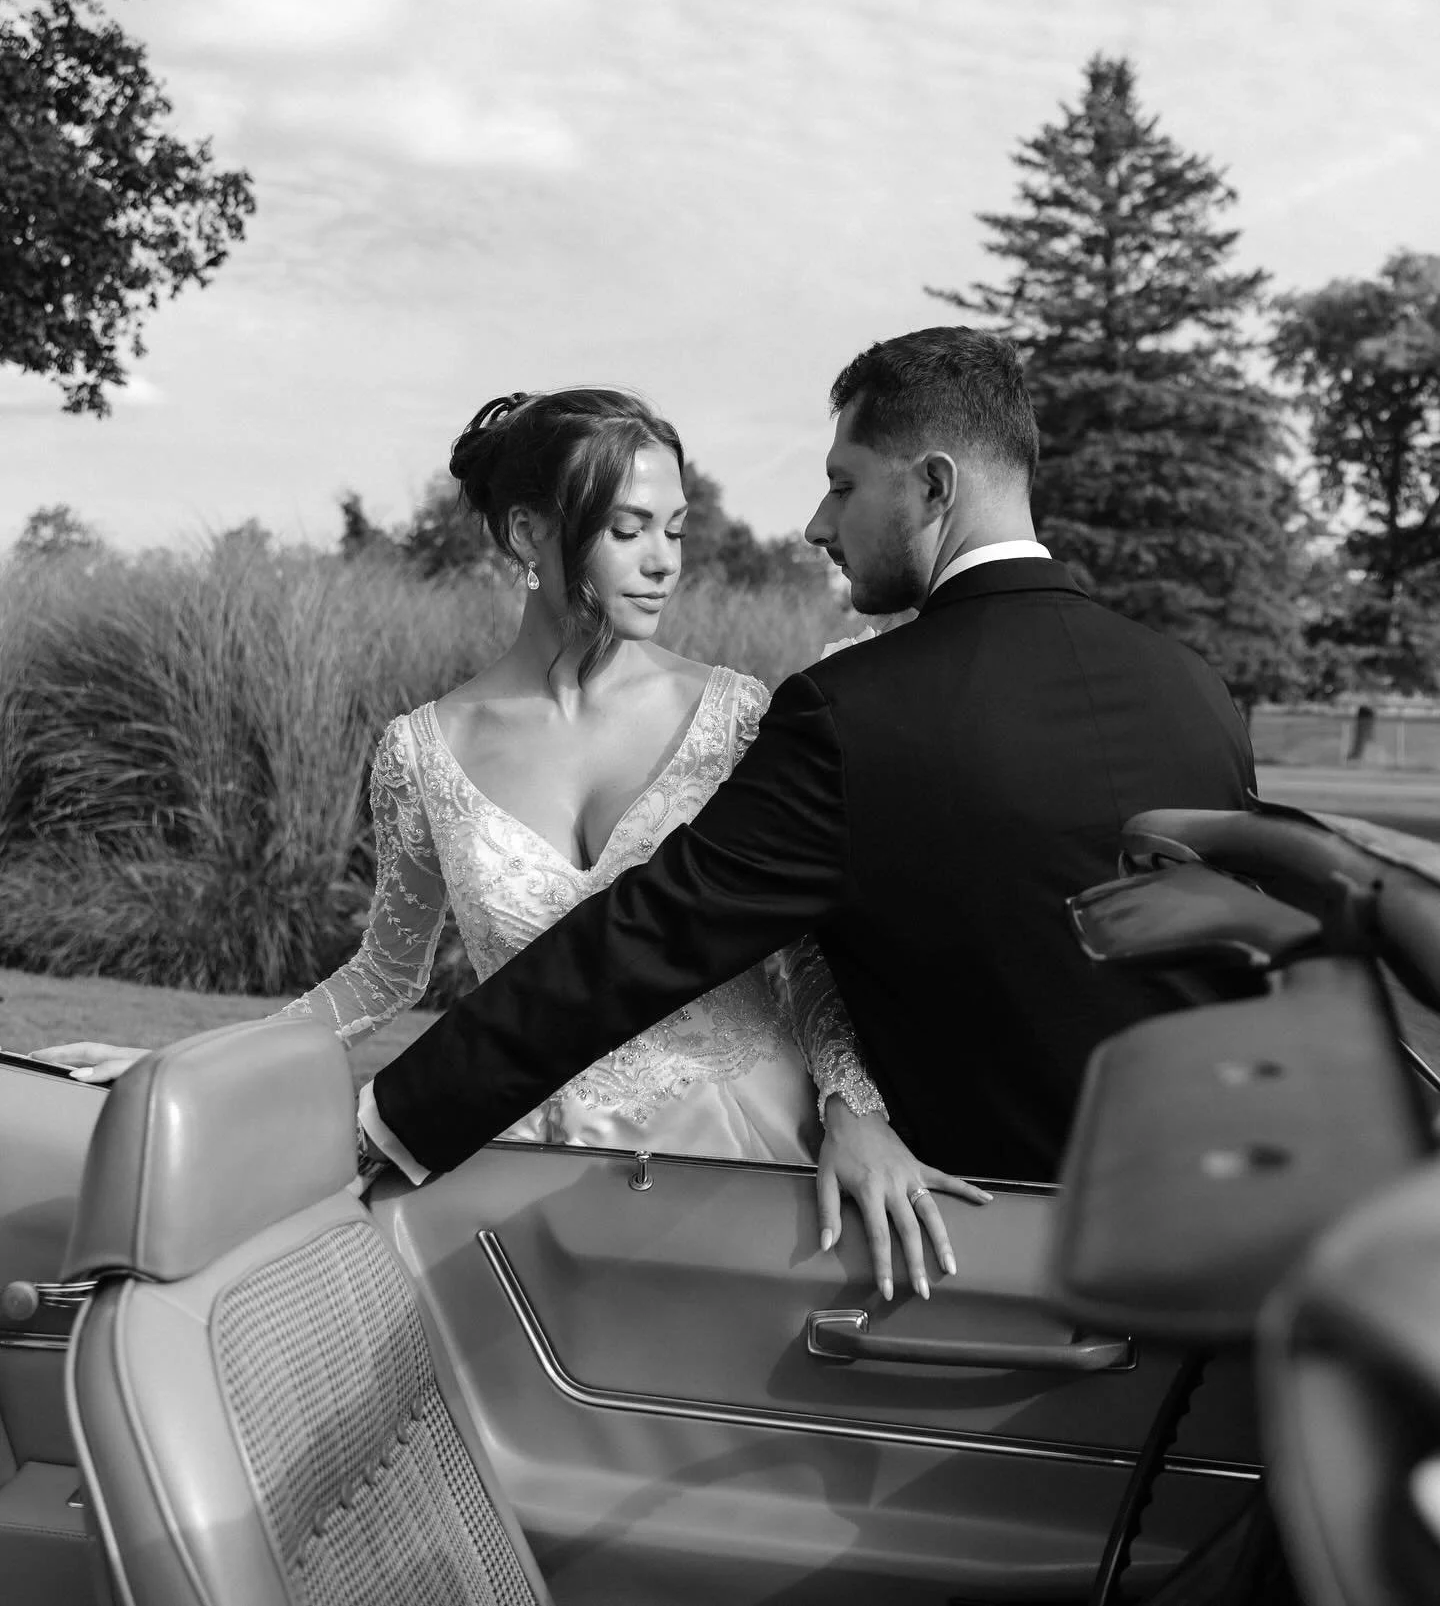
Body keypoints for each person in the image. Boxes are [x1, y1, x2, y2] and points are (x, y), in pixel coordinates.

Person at [360, 327, 1258, 1295]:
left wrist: (392, 1116)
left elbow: (651, 933)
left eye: (844, 483)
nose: (817, 524)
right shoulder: (1196, 691)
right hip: (1223, 1242)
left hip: (988, 1260)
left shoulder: (855, 714)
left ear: (934, 486)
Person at [35, 389, 987, 1261]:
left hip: (752, 1157)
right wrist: (200, 1067)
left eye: (675, 529)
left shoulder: (742, 716)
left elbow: (804, 952)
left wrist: (853, 1104)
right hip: (531, 1173)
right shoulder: (422, 751)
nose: (664, 561)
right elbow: (384, 974)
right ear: (531, 532)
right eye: (627, 529)